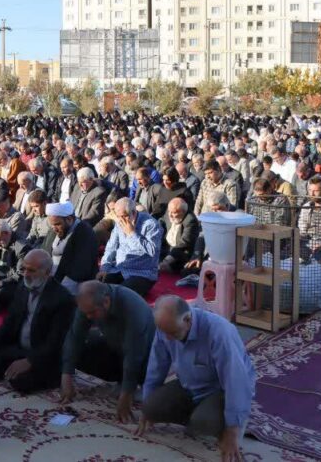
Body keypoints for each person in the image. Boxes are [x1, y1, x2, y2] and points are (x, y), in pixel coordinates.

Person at [139, 296, 256, 462]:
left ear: (187, 319)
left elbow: (235, 381)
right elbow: (156, 366)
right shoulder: (166, 328)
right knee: (150, 408)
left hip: (219, 390)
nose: (169, 339)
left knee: (203, 423)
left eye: (173, 333)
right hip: (189, 385)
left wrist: (233, 430)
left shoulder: (219, 332)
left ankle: (226, 418)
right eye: (166, 334)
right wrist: (146, 406)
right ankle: (202, 414)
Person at [60, 281, 156, 424]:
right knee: (80, 350)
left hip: (145, 357)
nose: (88, 317)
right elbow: (75, 336)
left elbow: (135, 354)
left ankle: (136, 387)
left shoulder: (132, 308)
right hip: (118, 349)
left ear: (106, 301)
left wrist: (126, 395)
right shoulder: (89, 304)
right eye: (85, 313)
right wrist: (66, 374)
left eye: (92, 313)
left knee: (138, 367)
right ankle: (120, 381)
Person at [0, 249, 75, 393]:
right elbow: (9, 322)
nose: (26, 274)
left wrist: (30, 361)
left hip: (43, 357)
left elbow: (55, 341)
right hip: (20, 349)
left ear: (47, 273)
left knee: (20, 382)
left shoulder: (62, 299)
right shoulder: (23, 286)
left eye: (32, 270)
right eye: (24, 269)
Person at [97, 198, 162, 297]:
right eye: (118, 217)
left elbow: (153, 251)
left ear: (134, 213)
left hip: (142, 272)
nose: (121, 220)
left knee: (121, 294)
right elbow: (111, 247)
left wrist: (132, 234)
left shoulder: (151, 225)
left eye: (124, 216)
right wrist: (105, 267)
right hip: (120, 268)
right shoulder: (119, 222)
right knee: (99, 289)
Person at [44, 201, 99, 293]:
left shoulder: (84, 233)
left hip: (74, 283)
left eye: (57, 224)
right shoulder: (54, 230)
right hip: (52, 278)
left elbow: (80, 269)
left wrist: (57, 290)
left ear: (69, 219)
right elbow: (44, 252)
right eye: (52, 225)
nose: (54, 228)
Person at [159, 197, 200, 273]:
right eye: (169, 211)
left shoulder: (191, 221)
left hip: (180, 253)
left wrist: (168, 259)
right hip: (166, 247)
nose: (170, 215)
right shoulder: (170, 211)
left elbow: (184, 243)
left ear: (183, 212)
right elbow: (162, 221)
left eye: (174, 213)